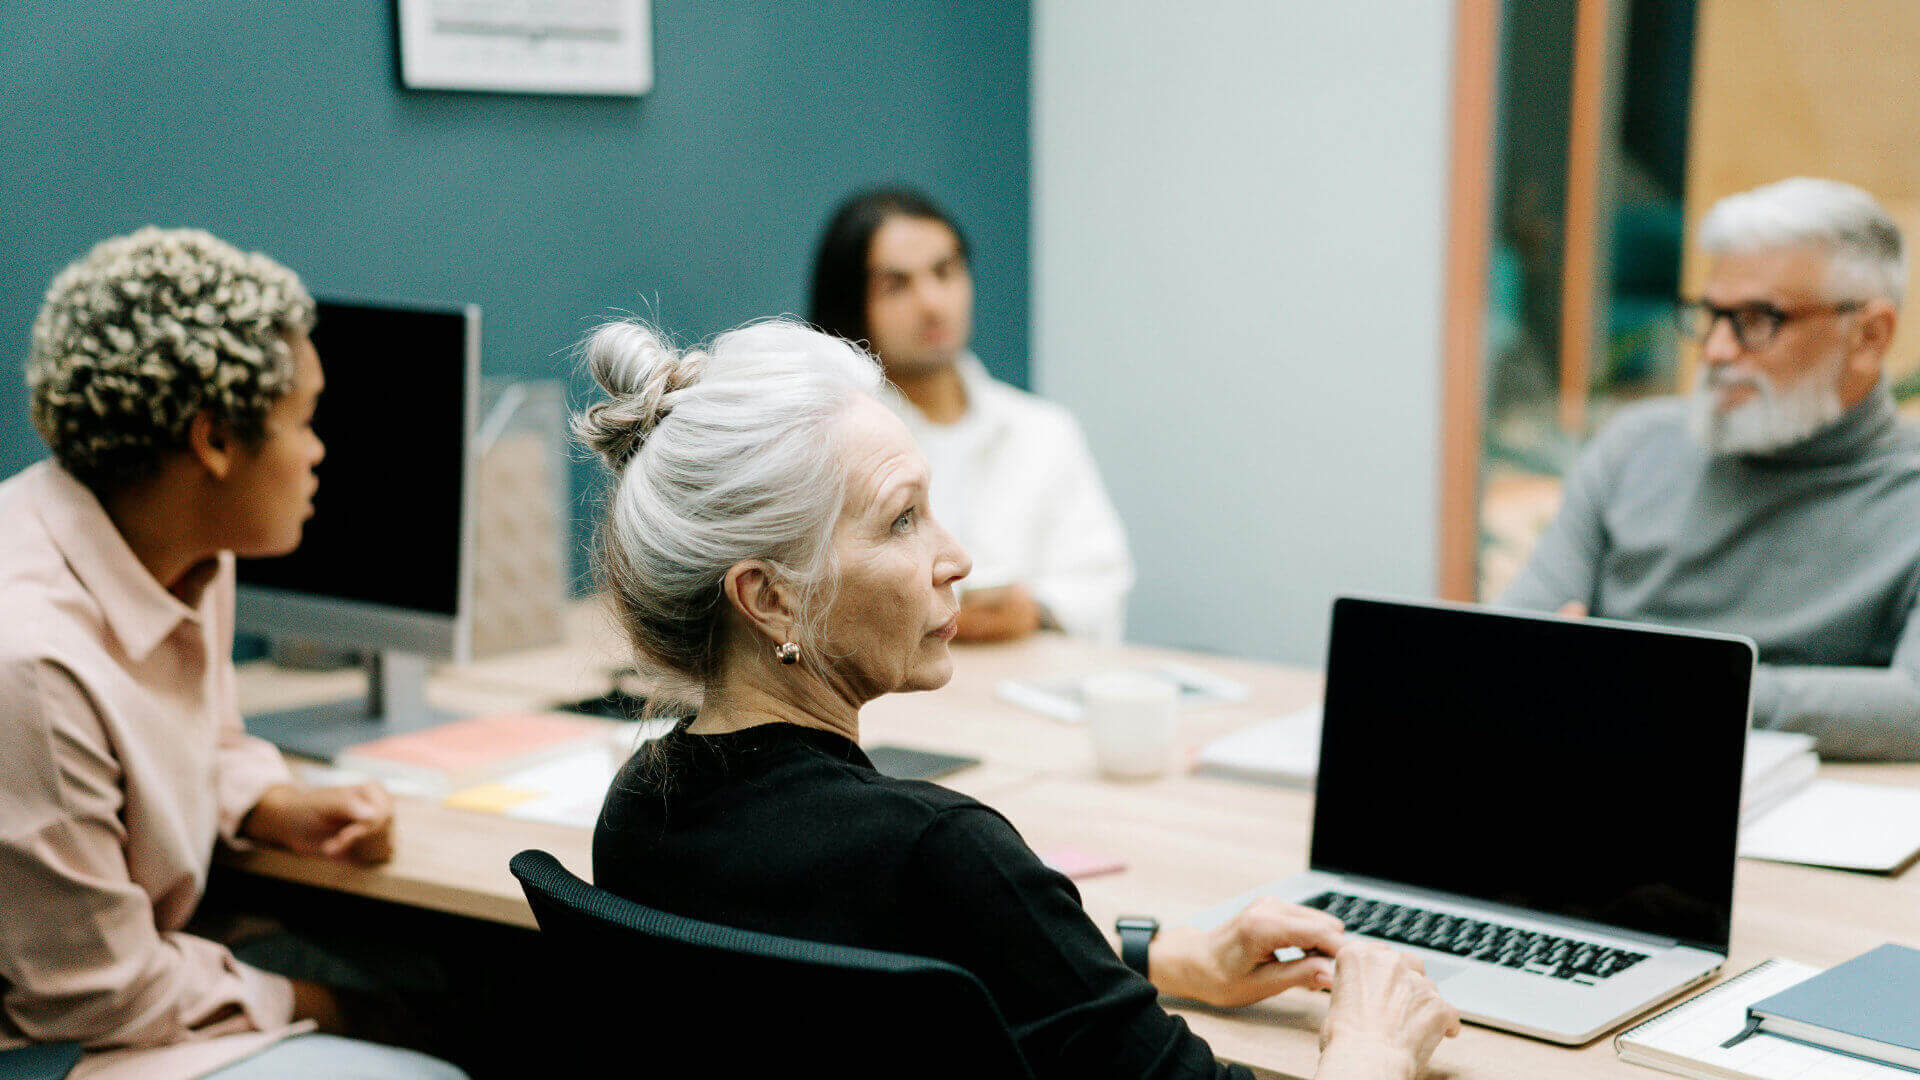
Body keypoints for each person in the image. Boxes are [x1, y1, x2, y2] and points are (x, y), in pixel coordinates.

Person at [583, 319, 1460, 1079]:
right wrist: (1371, 1049)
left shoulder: (639, 811)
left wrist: (1153, 959)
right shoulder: (942, 856)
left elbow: (883, 978)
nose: (956, 556)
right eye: (901, 519)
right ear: (769, 597)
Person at [0, 228, 465, 1079]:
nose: (322, 451)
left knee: (457, 988)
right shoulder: (31, 663)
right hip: (55, 1042)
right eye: (306, 420)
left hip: (135, 967)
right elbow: (93, 995)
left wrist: (272, 802)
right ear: (213, 440)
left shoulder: (177, 551)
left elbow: (197, 741)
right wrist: (328, 1009)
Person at [1500, 177, 1920, 761]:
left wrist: (1677, 682)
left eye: (1757, 319)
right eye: (1711, 314)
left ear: (1869, 337)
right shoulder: (1636, 445)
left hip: (1800, 803)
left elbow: (1914, 708)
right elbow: (1515, 639)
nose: (1717, 351)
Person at [809, 187, 1135, 643]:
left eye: (944, 272)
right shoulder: (828, 441)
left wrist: (1032, 610)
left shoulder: (1043, 431)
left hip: (1027, 686)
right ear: (852, 304)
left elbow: (1100, 581)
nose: (931, 302)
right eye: (896, 285)